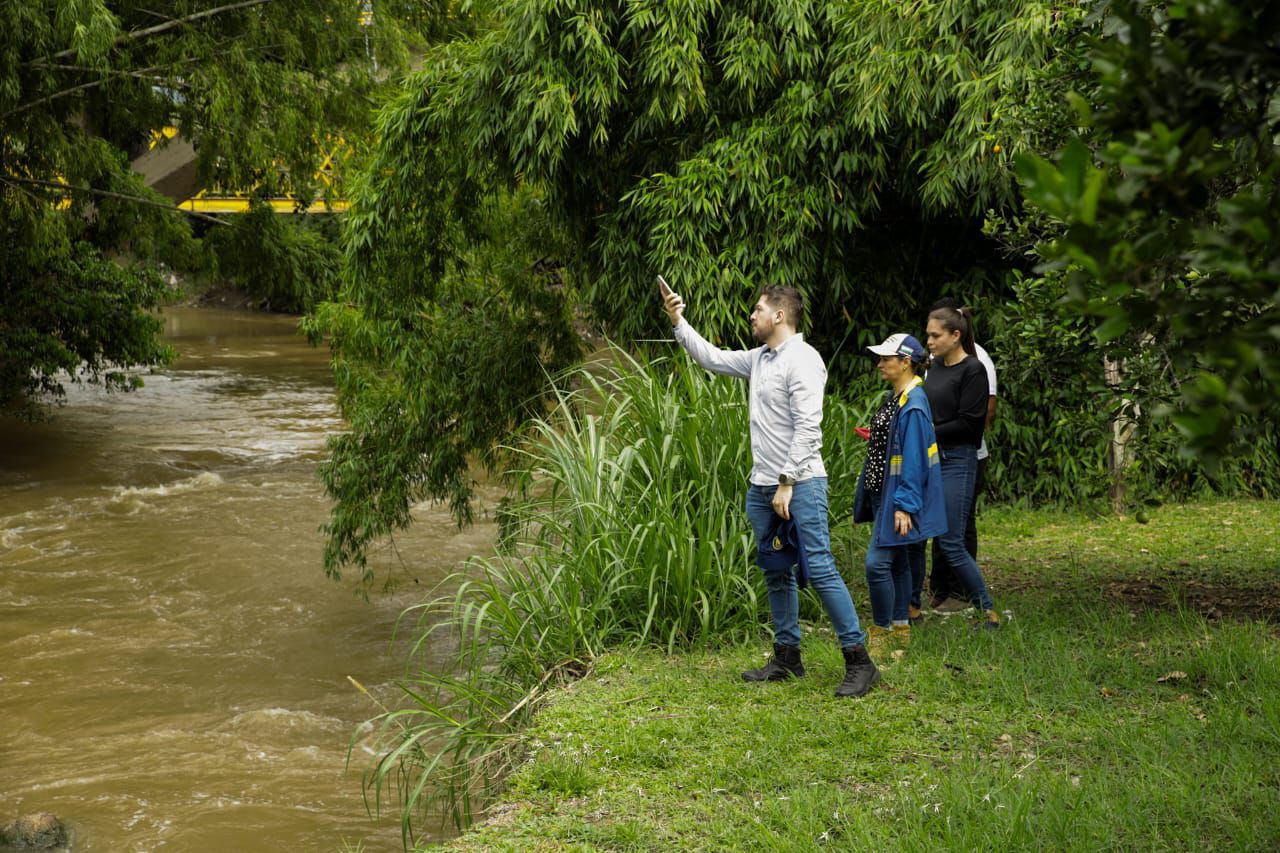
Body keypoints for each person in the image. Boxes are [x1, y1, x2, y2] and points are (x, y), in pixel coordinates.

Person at [662, 281, 880, 698]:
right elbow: (712, 357)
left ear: (779, 315)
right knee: (777, 571)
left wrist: (786, 482)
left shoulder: (804, 359)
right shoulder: (759, 358)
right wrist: (678, 321)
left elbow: (809, 428)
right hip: (762, 487)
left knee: (820, 569)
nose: (752, 315)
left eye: (758, 309)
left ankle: (860, 662)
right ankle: (787, 657)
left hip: (801, 484)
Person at [852, 334, 947, 654]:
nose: (879, 364)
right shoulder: (898, 396)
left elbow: (915, 458)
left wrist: (904, 505)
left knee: (876, 565)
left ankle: (881, 634)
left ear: (906, 362)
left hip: (895, 497)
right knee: (898, 563)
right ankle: (900, 632)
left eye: (886, 359)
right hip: (883, 493)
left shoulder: (914, 403)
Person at [920, 306, 1000, 629]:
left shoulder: (974, 370)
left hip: (958, 460)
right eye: (927, 335)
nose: (929, 341)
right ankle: (911, 609)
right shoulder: (934, 367)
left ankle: (987, 611)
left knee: (952, 541)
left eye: (935, 335)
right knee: (919, 537)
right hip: (930, 458)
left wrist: (927, 430)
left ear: (956, 335)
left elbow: (971, 426)